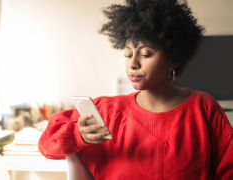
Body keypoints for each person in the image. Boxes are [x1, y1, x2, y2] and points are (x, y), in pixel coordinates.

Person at [38, 0, 233, 179]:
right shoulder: (105, 111)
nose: (133, 63)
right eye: (128, 54)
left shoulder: (204, 107)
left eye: (146, 54)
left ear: (172, 60)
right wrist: (77, 135)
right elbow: (47, 143)